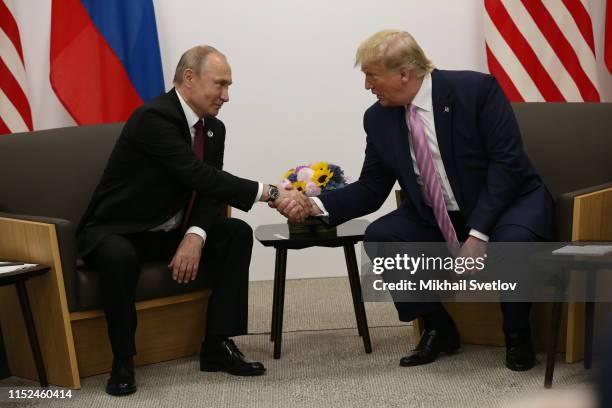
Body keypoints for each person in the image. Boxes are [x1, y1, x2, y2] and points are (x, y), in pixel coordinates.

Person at [275, 30, 554, 371]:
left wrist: (479, 233)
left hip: (509, 202)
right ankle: (437, 327)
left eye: (371, 75)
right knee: (381, 236)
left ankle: (517, 334)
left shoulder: (475, 91)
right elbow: (373, 187)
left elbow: (507, 165)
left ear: (404, 74)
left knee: (512, 242)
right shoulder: (378, 117)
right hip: (441, 214)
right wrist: (314, 205)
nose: (366, 85)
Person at [77, 45, 308, 396]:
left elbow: (209, 192)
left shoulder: (213, 129)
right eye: (220, 84)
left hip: (170, 230)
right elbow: (198, 175)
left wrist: (196, 235)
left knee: (235, 233)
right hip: (119, 229)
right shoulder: (153, 118)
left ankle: (217, 344)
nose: (226, 96)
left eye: (228, 86)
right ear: (189, 78)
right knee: (117, 257)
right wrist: (271, 193)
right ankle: (122, 360)